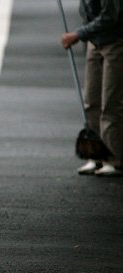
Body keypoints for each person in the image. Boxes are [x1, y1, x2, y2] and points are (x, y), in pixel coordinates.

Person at [61, 0, 123, 176]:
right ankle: (96, 154)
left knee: (110, 104)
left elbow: (109, 16)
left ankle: (114, 158)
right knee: (91, 101)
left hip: (115, 41)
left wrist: (78, 34)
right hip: (94, 42)